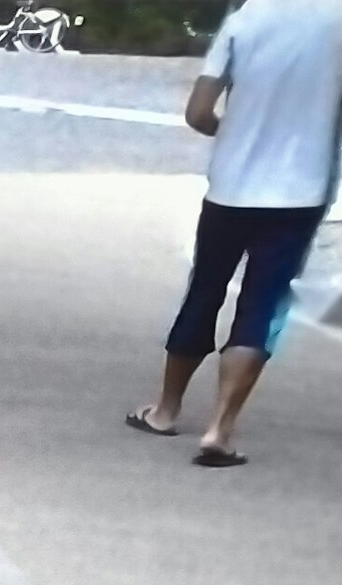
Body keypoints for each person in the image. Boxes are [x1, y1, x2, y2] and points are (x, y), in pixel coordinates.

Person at [131, 0, 342, 466]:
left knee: (204, 290)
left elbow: (199, 113)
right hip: (300, 193)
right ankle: (219, 431)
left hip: (230, 187)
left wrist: (237, 129)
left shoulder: (245, 19)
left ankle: (166, 411)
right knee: (263, 303)